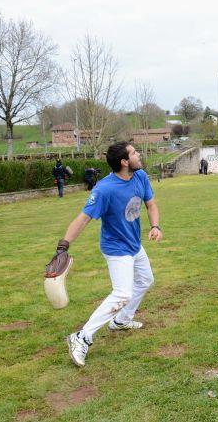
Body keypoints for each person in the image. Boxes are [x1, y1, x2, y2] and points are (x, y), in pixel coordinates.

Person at [61, 142, 162, 367]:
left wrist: (155, 226)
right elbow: (84, 218)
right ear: (125, 162)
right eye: (134, 153)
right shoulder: (104, 189)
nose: (139, 154)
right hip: (116, 248)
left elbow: (151, 204)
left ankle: (121, 321)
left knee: (146, 280)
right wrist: (63, 245)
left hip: (134, 244)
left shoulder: (140, 176)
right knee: (123, 293)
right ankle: (82, 337)